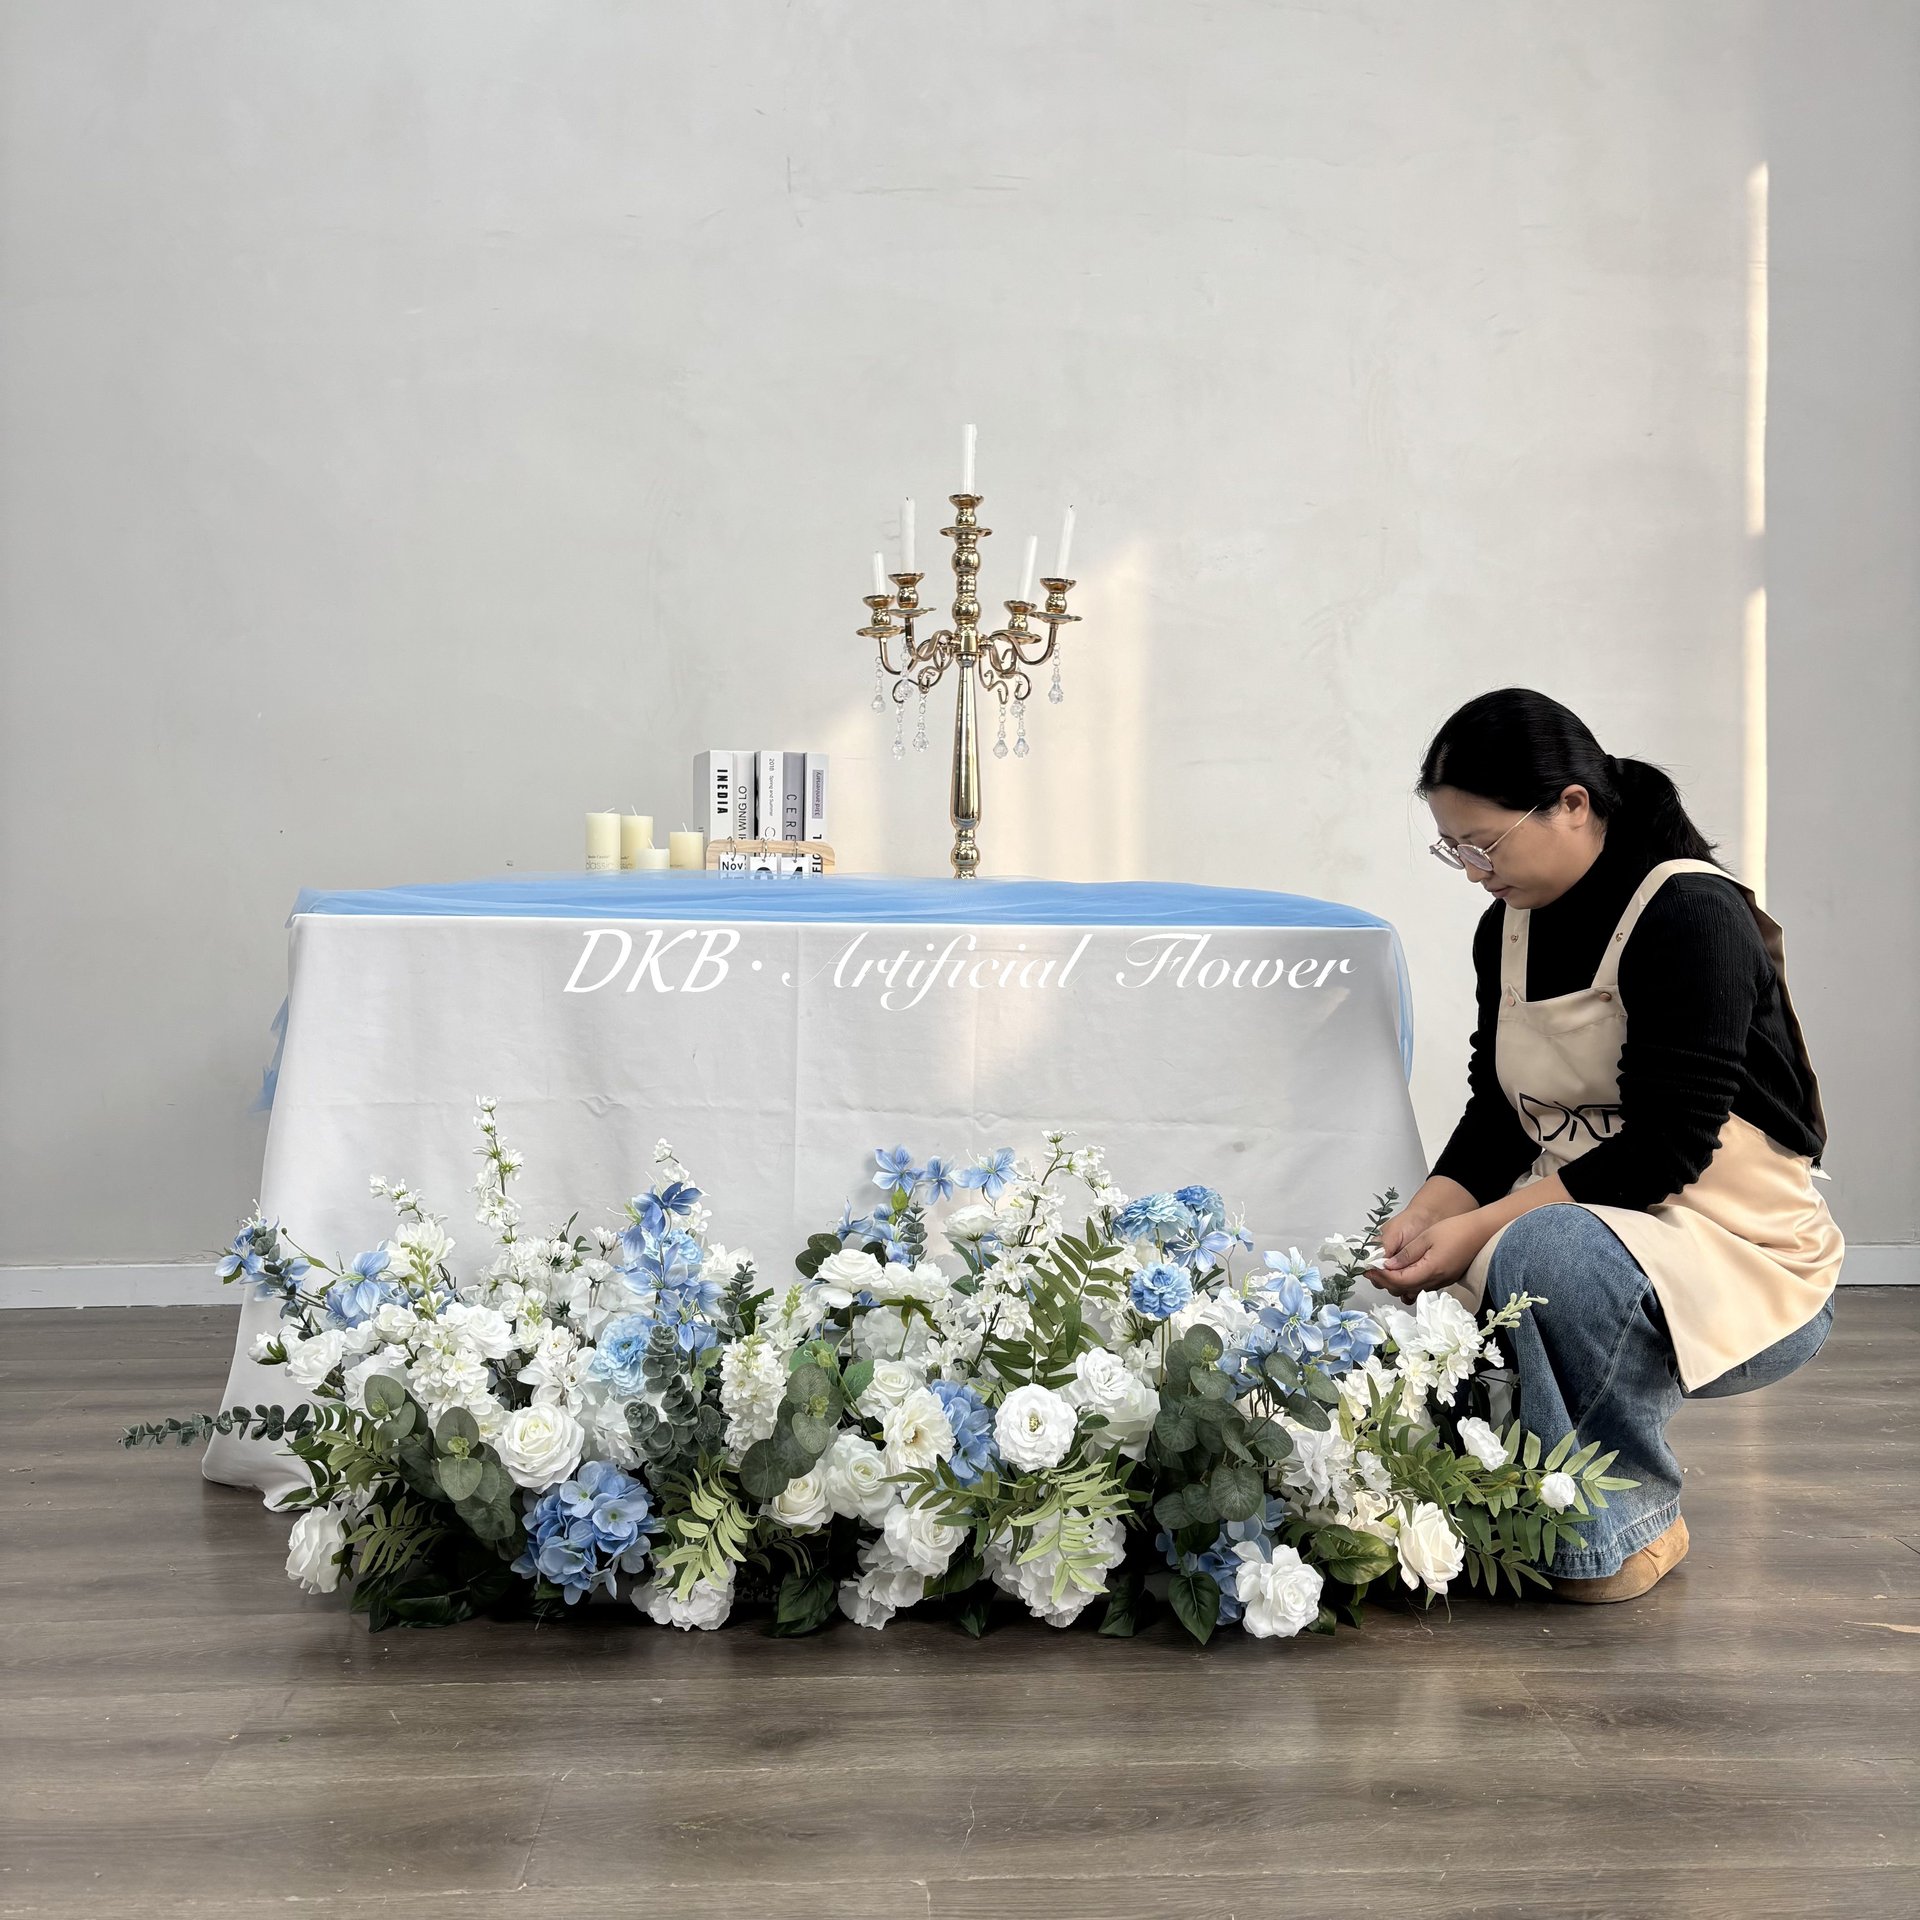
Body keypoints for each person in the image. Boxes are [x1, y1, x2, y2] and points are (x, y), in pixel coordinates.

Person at [1371, 688, 1843, 1602]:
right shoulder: (1505, 929)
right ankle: (1509, 1503)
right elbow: (1500, 1112)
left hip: (1740, 1251)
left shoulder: (1690, 914)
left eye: (1484, 844)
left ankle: (1627, 1521)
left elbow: (1665, 1151)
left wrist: (1481, 1229)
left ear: (1573, 804)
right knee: (1425, 1275)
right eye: (1454, 848)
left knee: (1541, 1251)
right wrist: (1428, 1211)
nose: (1472, 871)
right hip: (1605, 1222)